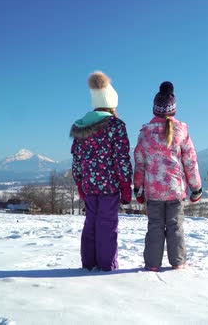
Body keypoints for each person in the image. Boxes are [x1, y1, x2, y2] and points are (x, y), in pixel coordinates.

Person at [133, 81, 202, 271]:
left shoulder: (145, 133)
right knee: (175, 227)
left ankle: (152, 265)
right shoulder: (181, 130)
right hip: (175, 190)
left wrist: (138, 188)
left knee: (155, 227)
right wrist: (196, 187)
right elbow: (190, 161)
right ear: (174, 110)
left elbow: (140, 162)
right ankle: (178, 263)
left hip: (154, 191)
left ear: (154, 109)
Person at [70, 71, 132, 271]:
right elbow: (121, 158)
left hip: (88, 185)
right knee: (106, 225)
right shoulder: (116, 126)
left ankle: (88, 263)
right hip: (110, 186)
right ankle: (106, 265)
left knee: (91, 223)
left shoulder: (81, 127)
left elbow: (77, 160)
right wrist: (125, 186)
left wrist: (80, 183)